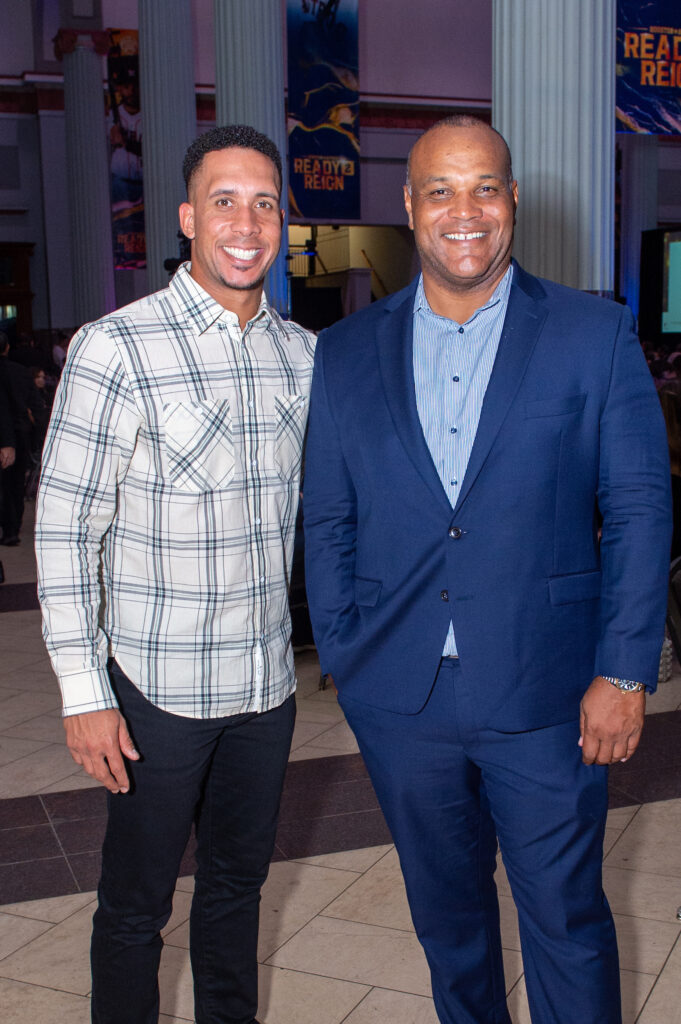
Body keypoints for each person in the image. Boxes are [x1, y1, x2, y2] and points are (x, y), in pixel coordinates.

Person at [303, 116, 672, 1024]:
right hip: (400, 698)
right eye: (440, 190)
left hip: (550, 695)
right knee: (447, 923)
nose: (463, 211)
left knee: (565, 920)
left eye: (483, 188)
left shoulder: (593, 334)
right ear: (408, 205)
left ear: (511, 200)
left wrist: (622, 671)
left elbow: (635, 510)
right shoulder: (346, 352)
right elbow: (329, 516)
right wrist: (349, 657)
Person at [36, 124, 316, 1024]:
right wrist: (85, 692)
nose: (248, 221)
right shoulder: (117, 347)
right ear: (190, 218)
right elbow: (64, 529)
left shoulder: (301, 356)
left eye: (266, 203)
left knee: (237, 892)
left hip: (265, 688)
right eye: (226, 201)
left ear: (283, 222)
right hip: (155, 690)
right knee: (135, 907)